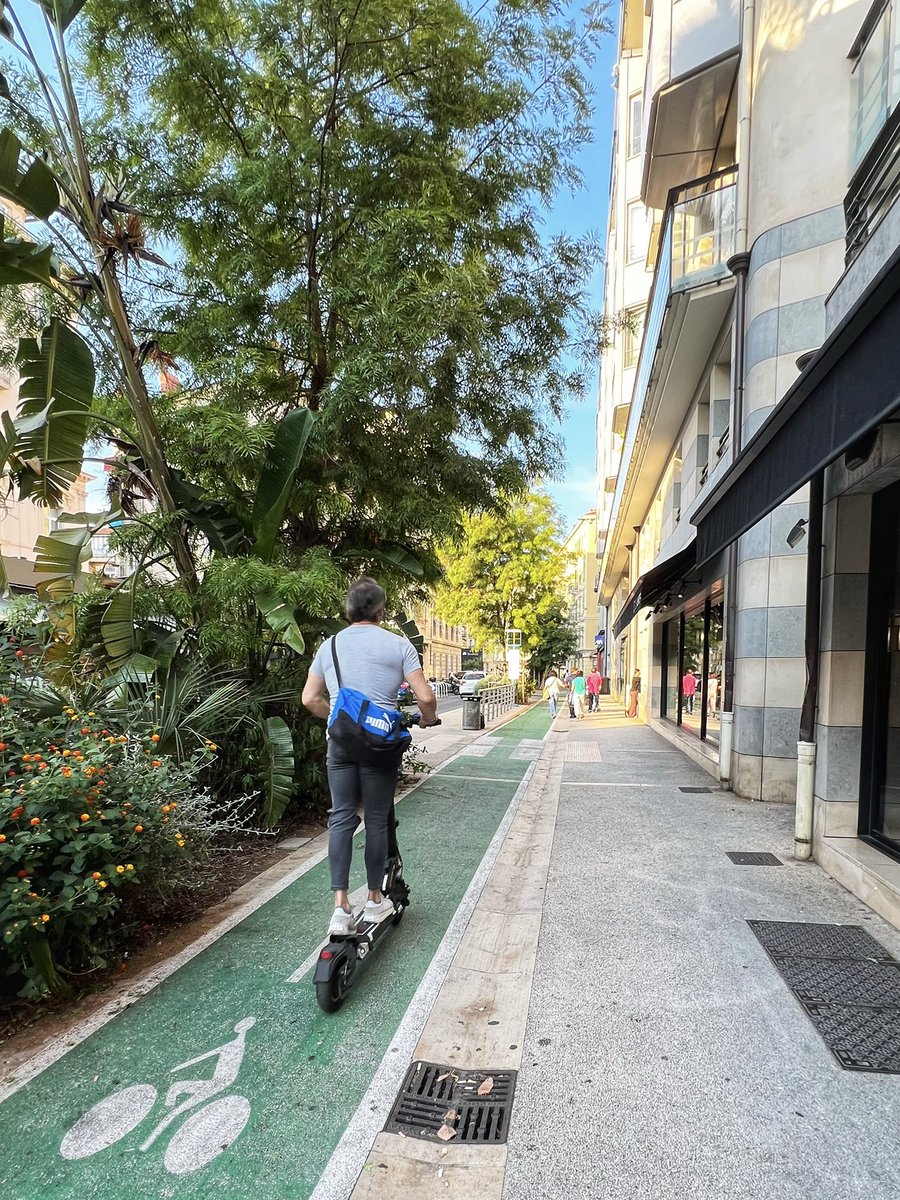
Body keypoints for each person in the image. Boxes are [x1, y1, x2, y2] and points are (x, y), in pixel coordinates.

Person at [302, 577, 438, 936]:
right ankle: (375, 898)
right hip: (380, 746)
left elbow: (309, 699)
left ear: (349, 609)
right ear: (380, 610)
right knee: (377, 819)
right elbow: (425, 697)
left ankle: (340, 906)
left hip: (341, 742)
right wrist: (428, 718)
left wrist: (336, 714)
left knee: (342, 818)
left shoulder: (328, 646)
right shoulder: (399, 645)